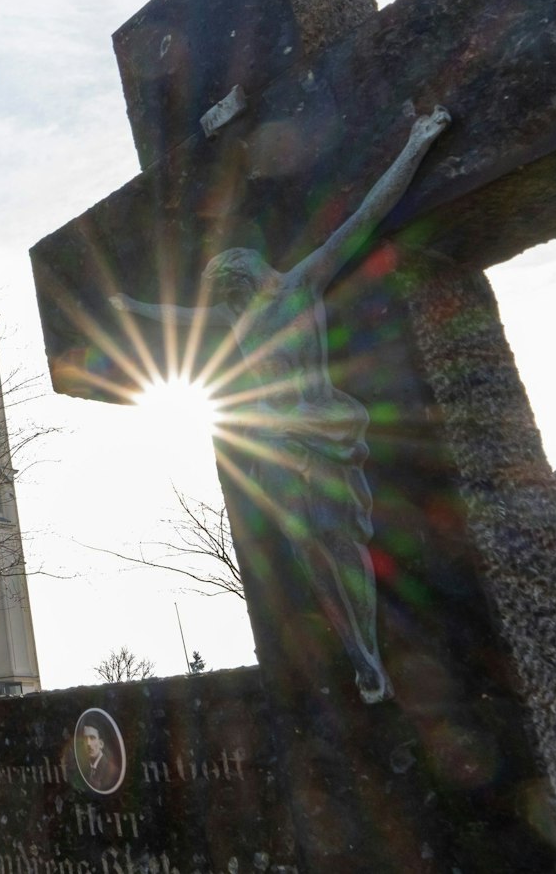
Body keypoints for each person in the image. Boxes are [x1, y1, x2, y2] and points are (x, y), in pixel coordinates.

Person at [109, 107, 451, 704]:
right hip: (274, 447)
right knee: (310, 551)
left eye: (228, 280)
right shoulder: (232, 319)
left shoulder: (301, 284)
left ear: (246, 272)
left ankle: (368, 647)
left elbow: (367, 214)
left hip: (322, 432)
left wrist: (418, 141)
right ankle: (361, 655)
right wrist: (129, 308)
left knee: (339, 542)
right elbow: (177, 319)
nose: (228, 291)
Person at [75, 709, 124, 794]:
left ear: (101, 743)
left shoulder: (112, 771)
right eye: (85, 739)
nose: (88, 743)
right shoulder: (85, 769)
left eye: (92, 738)